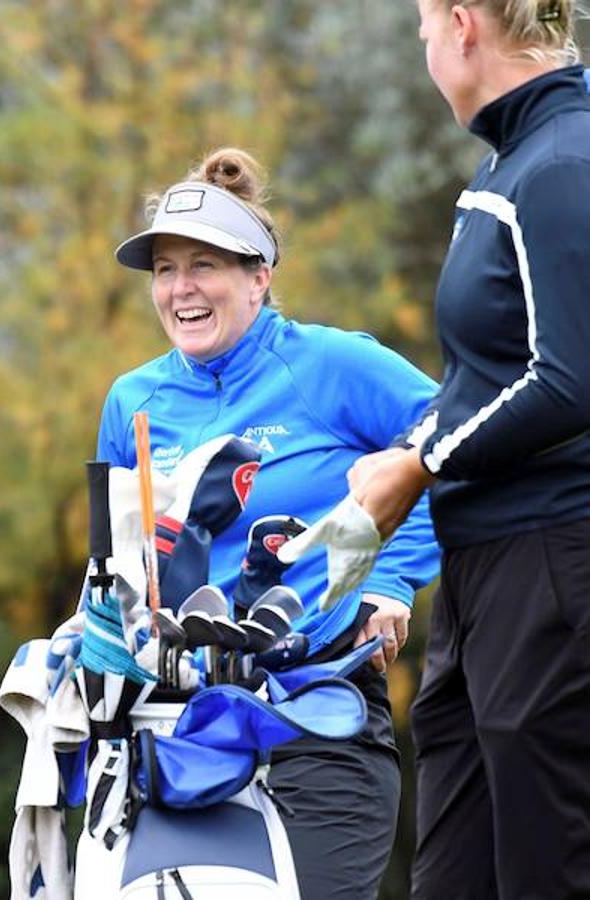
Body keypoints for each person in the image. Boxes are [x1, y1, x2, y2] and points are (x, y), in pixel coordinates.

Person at [97, 148, 441, 899]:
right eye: (164, 268)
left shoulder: (332, 366)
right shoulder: (132, 403)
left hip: (318, 715)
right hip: (178, 729)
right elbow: (113, 571)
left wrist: (389, 579)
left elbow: (456, 442)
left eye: (205, 266)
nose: (181, 289)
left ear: (260, 277)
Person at [346, 3, 590, 896]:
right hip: (481, 577)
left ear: (462, 23)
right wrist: (404, 449)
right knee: (452, 874)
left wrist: (421, 465)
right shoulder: (512, 162)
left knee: (547, 873)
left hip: (555, 572)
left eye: (420, 21)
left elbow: (573, 382)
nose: (419, 43)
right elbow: (480, 376)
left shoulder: (563, 164)